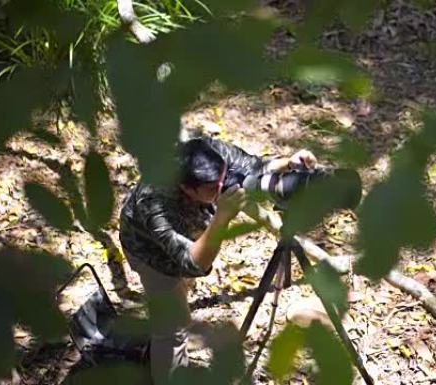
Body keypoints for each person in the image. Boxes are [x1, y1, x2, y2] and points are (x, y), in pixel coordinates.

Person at [118, 135, 316, 384]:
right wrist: (222, 217)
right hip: (149, 252)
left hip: (188, 236)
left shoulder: (211, 153)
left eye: (224, 177)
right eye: (214, 187)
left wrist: (288, 163)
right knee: (171, 329)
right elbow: (193, 264)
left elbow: (253, 165)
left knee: (180, 292)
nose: (225, 187)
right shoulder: (154, 200)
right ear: (187, 188)